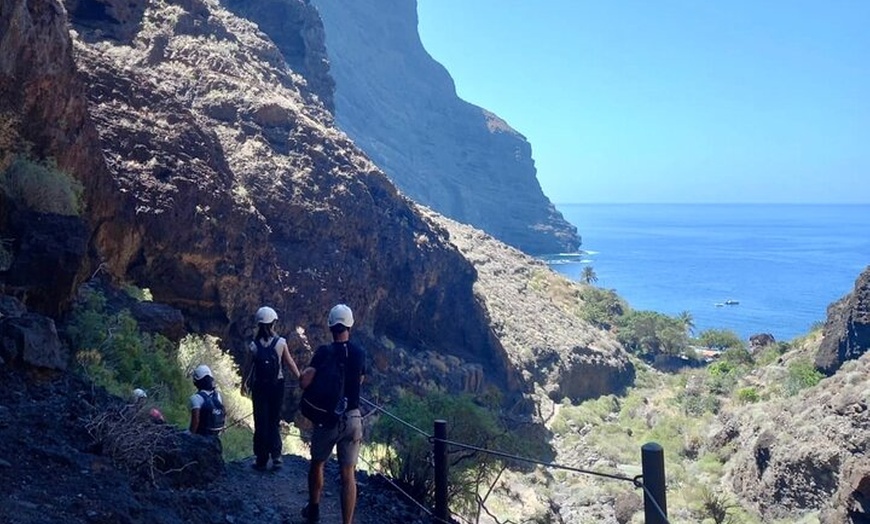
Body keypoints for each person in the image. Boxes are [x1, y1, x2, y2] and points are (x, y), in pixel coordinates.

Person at [300, 304, 367, 524]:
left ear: (330, 326)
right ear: (349, 325)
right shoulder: (359, 353)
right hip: (353, 418)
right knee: (349, 474)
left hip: (328, 419)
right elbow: (359, 380)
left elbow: (306, 380)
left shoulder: (323, 352)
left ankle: (314, 509)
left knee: (318, 464)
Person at [241, 306, 301, 471]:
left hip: (259, 387)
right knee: (274, 421)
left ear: (259, 324)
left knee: (261, 422)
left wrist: (243, 384)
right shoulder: (280, 343)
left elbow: (247, 368)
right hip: (277, 387)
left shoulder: (253, 346)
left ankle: (261, 459)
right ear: (273, 323)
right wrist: (301, 379)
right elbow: (289, 363)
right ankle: (276, 456)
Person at [188, 365, 225, 436]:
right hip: (215, 438)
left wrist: (190, 436)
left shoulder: (196, 398)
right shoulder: (218, 396)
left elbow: (195, 422)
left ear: (196, 382)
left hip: (200, 438)